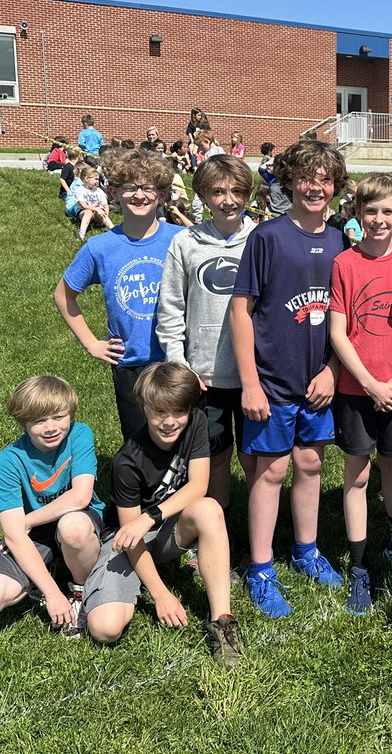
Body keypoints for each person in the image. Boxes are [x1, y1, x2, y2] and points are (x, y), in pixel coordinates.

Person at [230, 138, 348, 617]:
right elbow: (241, 310)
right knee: (271, 469)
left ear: (336, 187)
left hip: (317, 380)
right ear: (287, 181)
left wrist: (334, 370)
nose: (314, 187)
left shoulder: (343, 240)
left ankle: (306, 550)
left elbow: (349, 317)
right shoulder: (268, 236)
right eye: (305, 177)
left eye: (324, 179)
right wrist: (250, 382)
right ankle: (260, 567)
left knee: (311, 465)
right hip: (273, 379)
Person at [79, 363, 241, 664]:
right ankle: (103, 585)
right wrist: (161, 594)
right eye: (159, 413)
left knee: (209, 509)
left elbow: (198, 485)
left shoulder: (196, 424)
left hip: (159, 527)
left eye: (178, 412)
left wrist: (149, 516)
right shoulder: (126, 462)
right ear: (144, 409)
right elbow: (130, 539)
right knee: (104, 628)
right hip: (125, 543)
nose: (169, 422)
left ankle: (222, 621)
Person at [328, 173, 392, 614]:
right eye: (371, 211)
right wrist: (369, 383)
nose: (379, 219)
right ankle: (359, 566)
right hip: (357, 387)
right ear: (357, 215)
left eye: (388, 211)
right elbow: (338, 332)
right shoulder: (345, 263)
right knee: (357, 475)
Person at [54, 150, 183, 440]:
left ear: (161, 195)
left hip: (177, 357)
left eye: (148, 187)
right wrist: (91, 344)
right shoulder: (100, 247)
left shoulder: (180, 240)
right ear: (114, 192)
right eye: (130, 187)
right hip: (130, 362)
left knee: (182, 439)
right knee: (140, 440)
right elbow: (63, 295)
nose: (139, 195)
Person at [157, 155, 257, 518]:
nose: (228, 200)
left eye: (236, 191)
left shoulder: (261, 240)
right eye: (217, 191)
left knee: (254, 459)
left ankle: (257, 539)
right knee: (214, 458)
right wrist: (179, 364)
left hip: (254, 377)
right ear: (201, 194)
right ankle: (218, 530)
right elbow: (170, 308)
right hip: (203, 376)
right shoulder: (186, 243)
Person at [0, 376, 105, 638]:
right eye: (39, 421)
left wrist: (28, 521)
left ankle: (80, 590)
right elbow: (14, 536)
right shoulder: (8, 461)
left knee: (73, 528)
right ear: (23, 423)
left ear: (70, 413)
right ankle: (46, 576)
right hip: (37, 534)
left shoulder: (79, 434)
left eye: (58, 416)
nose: (51, 427)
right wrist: (52, 593)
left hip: (77, 518)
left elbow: (80, 498)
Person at [73, 165, 114, 240]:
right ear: (86, 179)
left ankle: (113, 230)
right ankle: (81, 233)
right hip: (83, 213)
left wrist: (105, 215)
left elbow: (106, 205)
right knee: (88, 212)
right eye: (95, 179)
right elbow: (84, 205)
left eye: (98, 179)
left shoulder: (99, 191)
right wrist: (97, 209)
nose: (97, 181)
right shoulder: (80, 190)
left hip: (97, 215)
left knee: (101, 212)